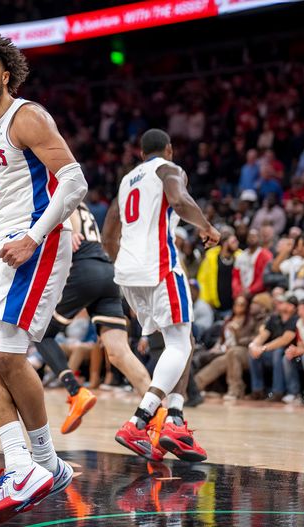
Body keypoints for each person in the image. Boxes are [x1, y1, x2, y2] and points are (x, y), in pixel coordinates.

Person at [0, 31, 87, 524]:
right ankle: (33, 465)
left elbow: (74, 180)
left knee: (8, 356)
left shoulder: (27, 116)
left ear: (5, 74)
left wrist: (33, 235)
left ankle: (36, 467)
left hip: (38, 241)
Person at [111, 128, 220, 464]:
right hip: (158, 266)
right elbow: (179, 200)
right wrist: (206, 226)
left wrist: (119, 272)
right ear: (168, 150)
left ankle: (174, 421)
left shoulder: (127, 180)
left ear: (140, 152)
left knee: (173, 341)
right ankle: (140, 421)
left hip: (127, 273)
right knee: (181, 344)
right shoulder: (168, 169)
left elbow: (108, 234)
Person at [34, 201, 152, 434]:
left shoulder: (55, 190)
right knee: (119, 352)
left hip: (85, 271)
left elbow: (68, 208)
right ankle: (159, 414)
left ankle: (76, 392)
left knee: (41, 334)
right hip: (108, 272)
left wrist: (72, 231)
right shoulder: (81, 200)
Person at [247, 293, 298, 401]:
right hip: (271, 351)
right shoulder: (274, 318)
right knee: (253, 354)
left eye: (282, 302)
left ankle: (278, 392)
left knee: (278, 352)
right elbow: (263, 335)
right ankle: (257, 390)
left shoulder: (295, 319)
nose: (278, 303)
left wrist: (262, 348)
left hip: (291, 353)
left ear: (291, 307)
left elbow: (284, 340)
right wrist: (254, 345)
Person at [234, 228, 273, 296]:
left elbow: (264, 277)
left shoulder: (266, 255)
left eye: (254, 236)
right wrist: (238, 290)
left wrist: (251, 290)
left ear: (259, 238)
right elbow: (236, 276)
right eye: (250, 236)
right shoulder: (240, 256)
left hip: (259, 292)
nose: (252, 238)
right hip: (242, 291)